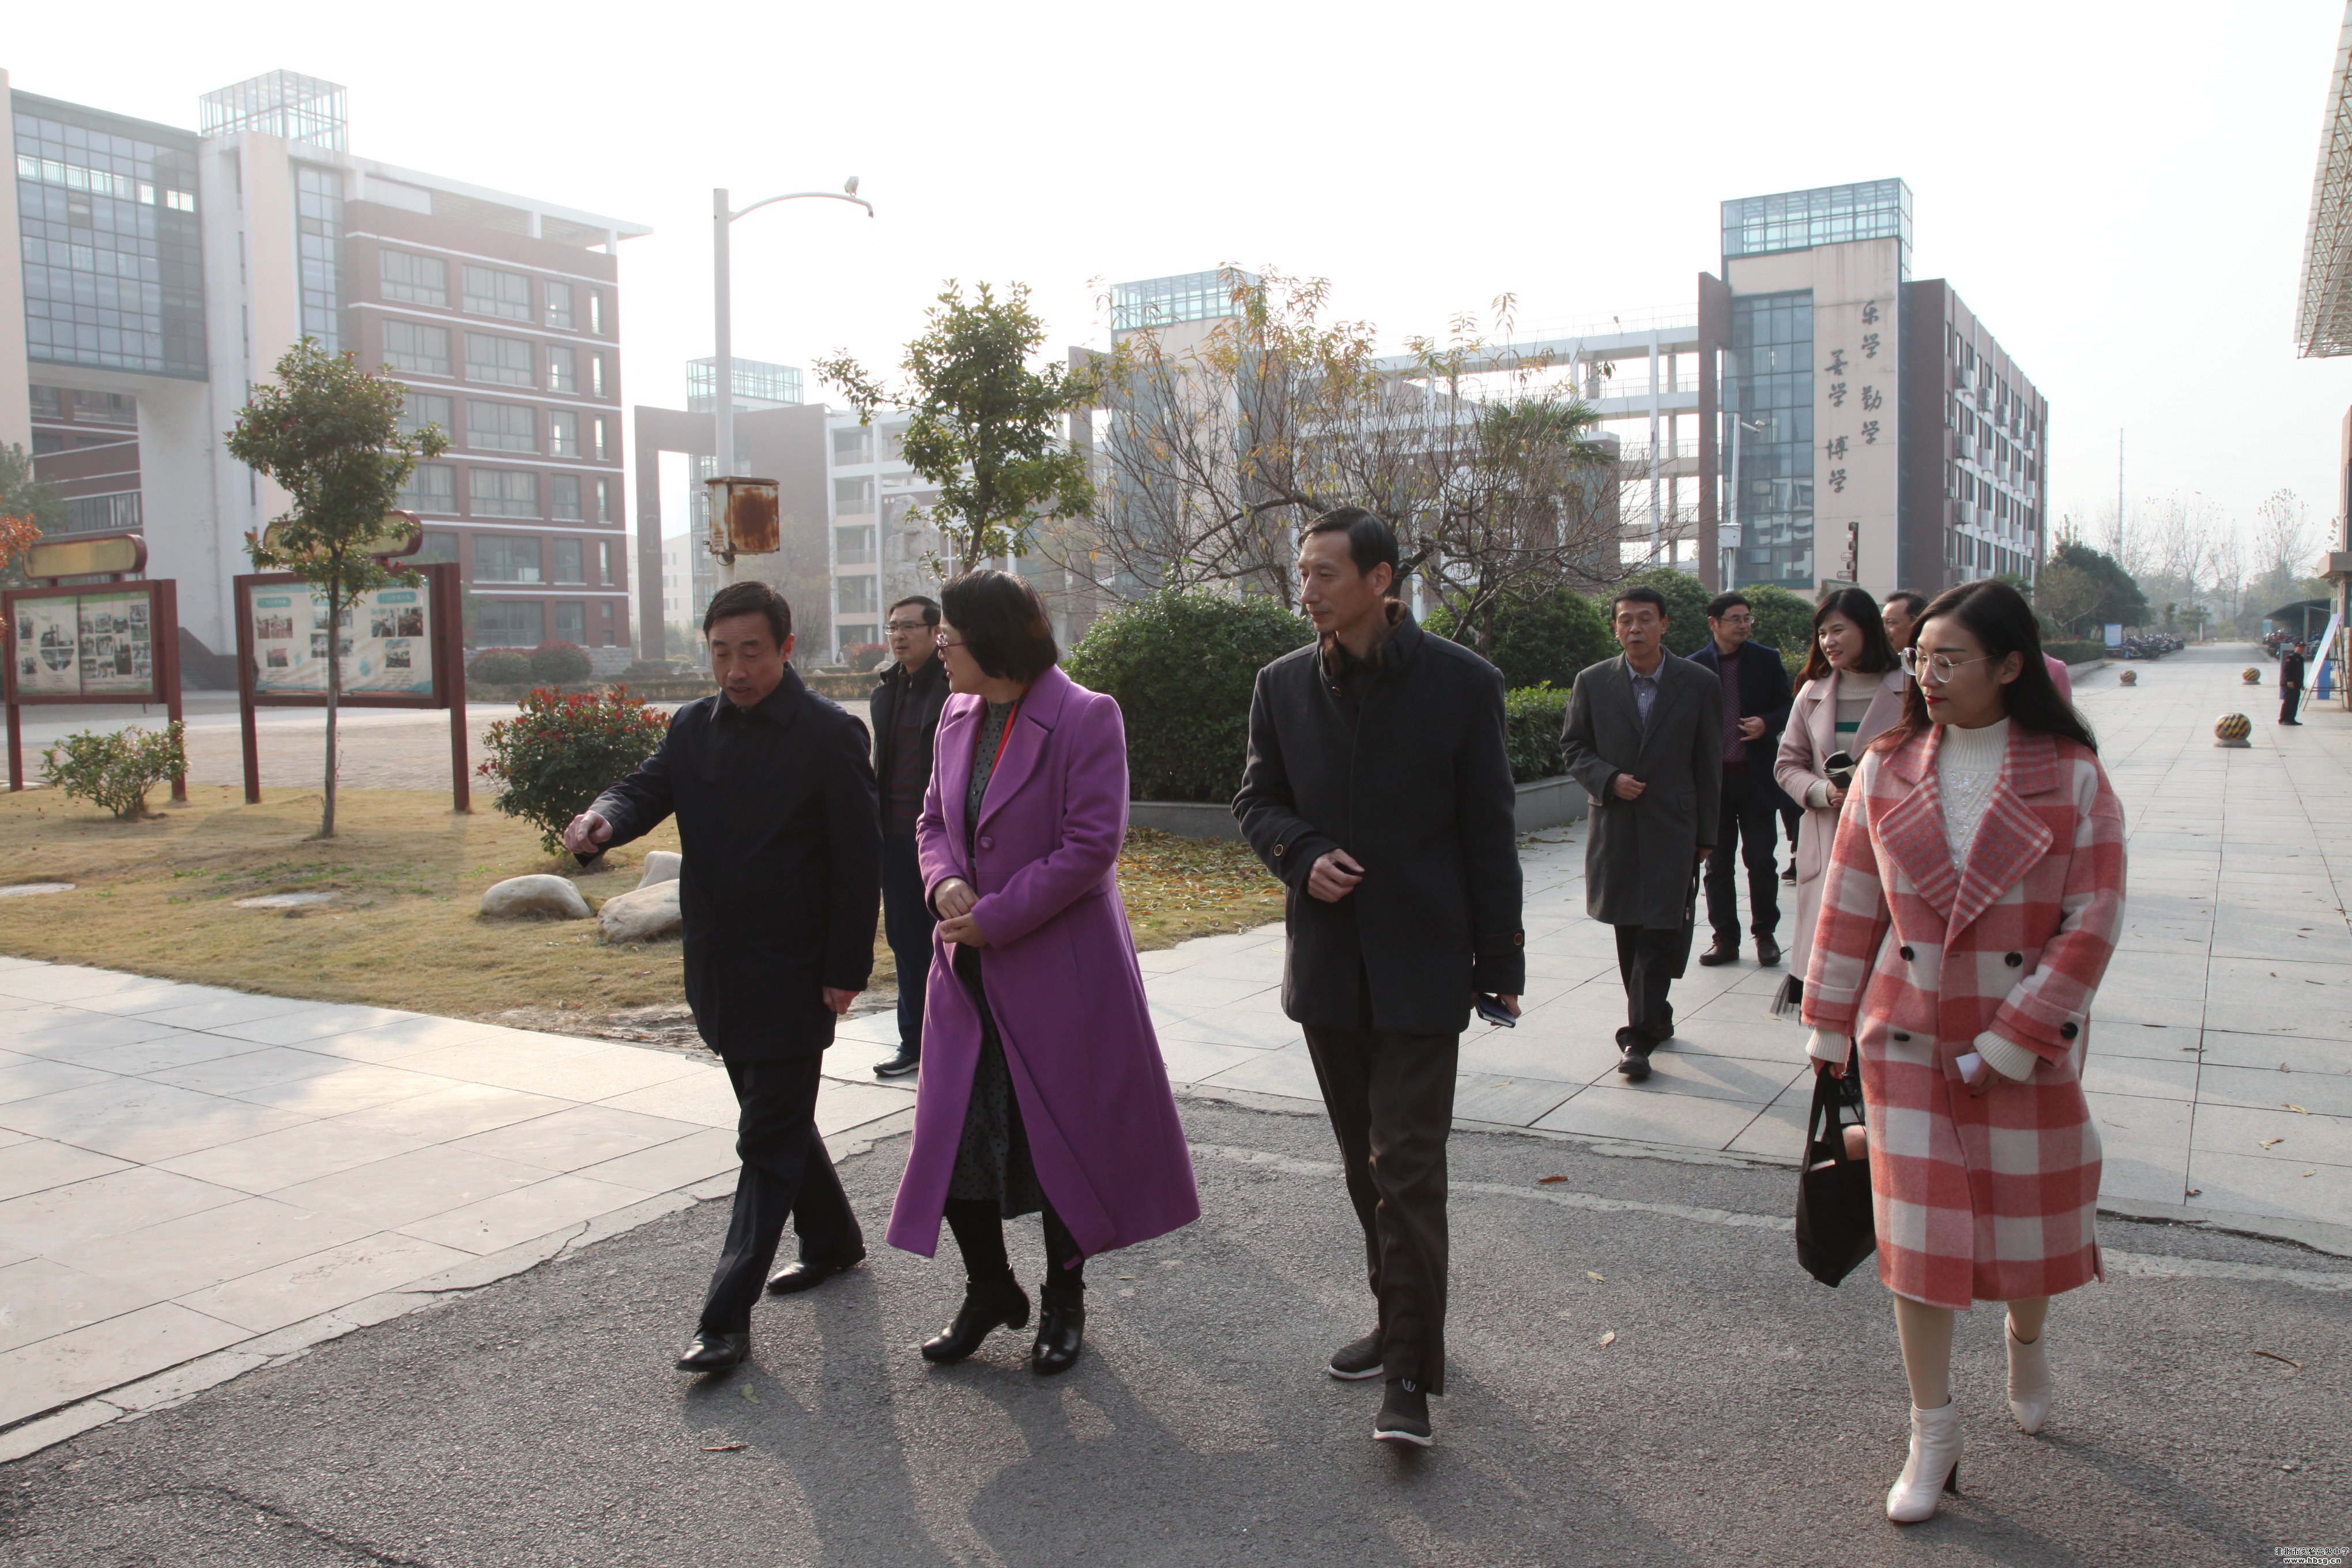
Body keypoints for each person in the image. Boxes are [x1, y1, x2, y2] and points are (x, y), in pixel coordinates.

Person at [1800, 579, 2125, 1524]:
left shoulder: (2072, 776)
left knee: (2029, 1231)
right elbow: (1850, 902)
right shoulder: (1888, 766)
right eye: (1921, 658)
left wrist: (2013, 1041)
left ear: (2011, 666)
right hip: (1907, 1039)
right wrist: (1827, 1024)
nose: (1928, 676)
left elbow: (2092, 920)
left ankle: (2027, 1340)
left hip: (2022, 1039)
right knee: (1918, 1241)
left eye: (1951, 660)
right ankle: (1932, 1432)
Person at [1234, 507, 1523, 1449]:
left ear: (1381, 579)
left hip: (1423, 964)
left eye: (1325, 573)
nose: (1307, 589)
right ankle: (1399, 1318)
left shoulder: (1463, 684)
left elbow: (1489, 832)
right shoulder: (1282, 684)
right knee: (1367, 1166)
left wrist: (1501, 961)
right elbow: (1256, 799)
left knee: (1407, 1169)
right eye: (1302, 572)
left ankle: (1407, 1374)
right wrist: (1299, 851)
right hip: (1329, 968)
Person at [885, 570, 1198, 1378]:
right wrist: (942, 881)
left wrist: (995, 915)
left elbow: (1091, 847)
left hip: (1059, 974)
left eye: (948, 636)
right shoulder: (957, 712)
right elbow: (932, 820)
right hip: (967, 973)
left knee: (1056, 1142)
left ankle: (1065, 1303)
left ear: (992, 641)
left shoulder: (1087, 715)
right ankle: (990, 1288)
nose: (938, 648)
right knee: (954, 1138)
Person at [564, 581, 881, 1373]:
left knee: (765, 1135)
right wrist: (605, 818)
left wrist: (847, 967)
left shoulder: (829, 734)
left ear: (785, 648)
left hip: (796, 970)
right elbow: (645, 787)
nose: (735, 669)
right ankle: (833, 1238)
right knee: (775, 1117)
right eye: (720, 653)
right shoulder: (692, 726)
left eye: (751, 652)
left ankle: (724, 1318)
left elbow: (859, 862)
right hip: (718, 963)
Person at [1559, 585, 1721, 1081]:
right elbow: (1574, 747)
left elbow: (1708, 761)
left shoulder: (1698, 683)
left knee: (1661, 930)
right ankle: (1655, 1014)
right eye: (1626, 620)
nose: (1635, 628)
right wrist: (1609, 779)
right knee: (1630, 929)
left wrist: (1708, 833)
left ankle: (1636, 1039)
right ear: (1615, 627)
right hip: (1618, 826)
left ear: (1664, 624)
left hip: (1674, 825)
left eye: (1646, 619)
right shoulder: (1592, 682)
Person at [1773, 587, 1907, 997]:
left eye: (1838, 630)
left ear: (1868, 629)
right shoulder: (1812, 692)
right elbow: (1786, 765)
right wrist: (1821, 792)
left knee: (1885, 965)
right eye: (1822, 633)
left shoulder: (1912, 690)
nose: (1828, 641)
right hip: (1828, 837)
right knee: (1828, 963)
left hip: (1890, 841)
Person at [1687, 592, 1795, 968]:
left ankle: (1765, 935)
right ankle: (1725, 939)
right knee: (1717, 866)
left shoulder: (1766, 660)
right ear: (1714, 623)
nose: (1744, 625)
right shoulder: (1694, 667)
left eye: (1748, 618)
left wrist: (1767, 723)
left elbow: (1789, 706)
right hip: (1713, 784)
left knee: (1762, 861)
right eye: (1736, 619)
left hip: (1756, 779)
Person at [869, 595, 951, 1079]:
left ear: (936, 632)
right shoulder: (886, 690)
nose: (898, 636)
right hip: (895, 837)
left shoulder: (955, 688)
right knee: (905, 942)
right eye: (892, 627)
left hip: (942, 839)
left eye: (908, 627)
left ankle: (954, 1042)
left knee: (949, 941)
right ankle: (913, 1042)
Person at [1881, 589, 1928, 655]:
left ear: (1916, 624)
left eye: (1890, 623)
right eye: (1883, 622)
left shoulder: (1930, 659)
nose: (1884, 631)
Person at [2281, 640, 2307, 725]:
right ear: (2296, 648)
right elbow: (2286, 670)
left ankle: (2291, 719)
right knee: (2289, 702)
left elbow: (2300, 673)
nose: (2302, 649)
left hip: (2297, 684)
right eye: (2300, 647)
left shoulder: (2301, 659)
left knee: (2295, 702)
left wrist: (2301, 684)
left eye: (2303, 648)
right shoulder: (2290, 658)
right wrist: (2289, 681)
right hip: (2289, 684)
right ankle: (2284, 719)